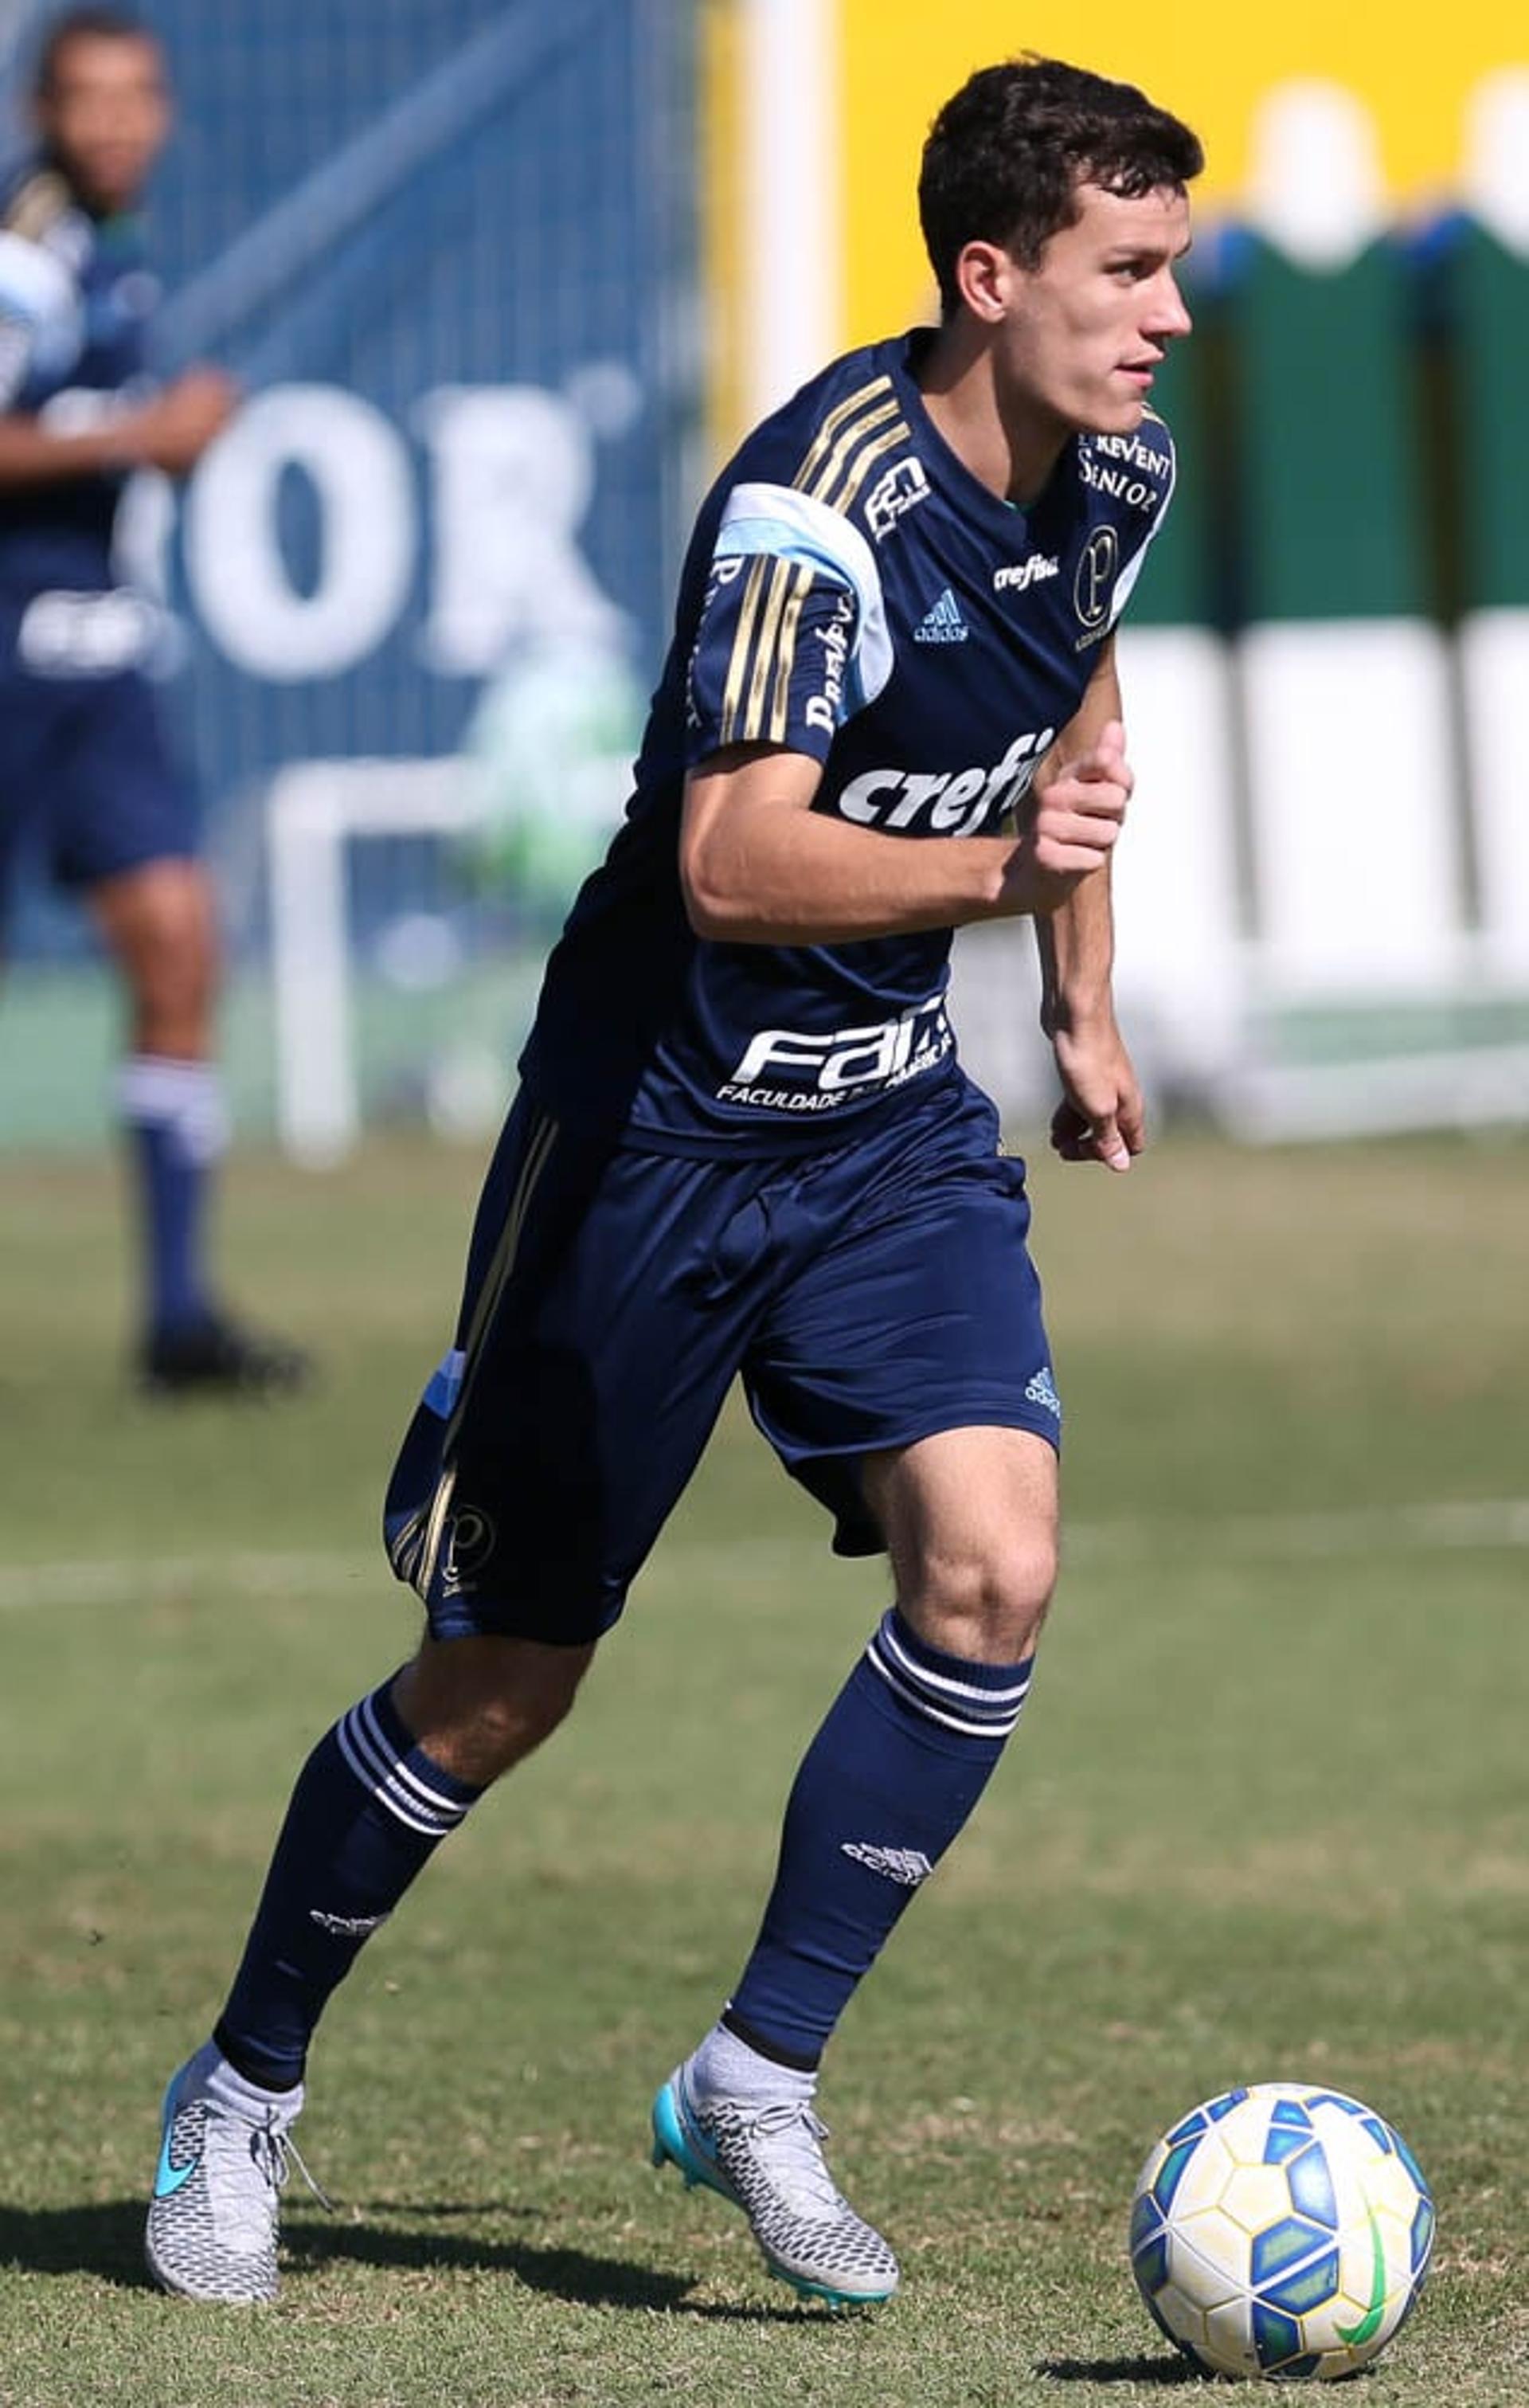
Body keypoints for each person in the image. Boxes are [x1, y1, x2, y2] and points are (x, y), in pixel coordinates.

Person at [145, 54, 1202, 2304]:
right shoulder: (811, 506)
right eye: (1129, 272)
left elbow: (1081, 721)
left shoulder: (1119, 466)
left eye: (1175, 267)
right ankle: (239, 2088)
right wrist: (1007, 874)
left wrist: (1082, 1001)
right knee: (507, 1683)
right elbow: (730, 862)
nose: (1168, 317)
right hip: (651, 1142)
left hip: (889, 1131)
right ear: (989, 275)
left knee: (993, 1570)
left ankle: (756, 2081)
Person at [0, 8, 307, 1395]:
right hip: (10, 661)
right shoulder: (26, 251)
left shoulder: (111, 255)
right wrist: (145, 434)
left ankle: (179, 1318)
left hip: (103, 668)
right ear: (39, 109)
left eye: (139, 95)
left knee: (181, 945)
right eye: (87, 96)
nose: (116, 120)